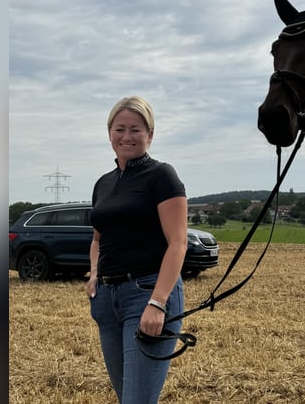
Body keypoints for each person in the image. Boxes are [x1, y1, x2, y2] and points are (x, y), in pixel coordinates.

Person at [87, 96, 188, 404]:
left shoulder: (161, 176)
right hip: (107, 299)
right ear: (109, 133)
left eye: (136, 129)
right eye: (120, 129)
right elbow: (97, 239)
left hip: (147, 294)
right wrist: (94, 275)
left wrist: (158, 302)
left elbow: (178, 243)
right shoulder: (103, 183)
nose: (127, 137)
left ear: (150, 135)